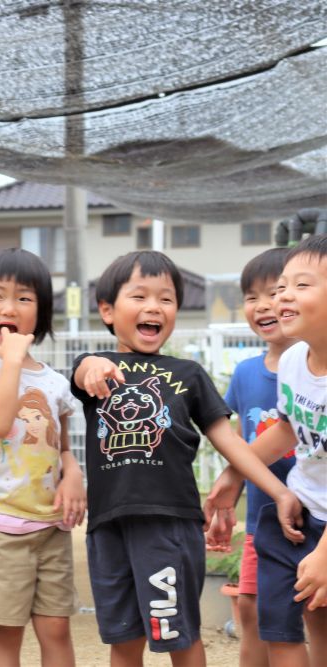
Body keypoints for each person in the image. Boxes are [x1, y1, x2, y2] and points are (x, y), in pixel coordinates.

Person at [70, 250, 303, 667]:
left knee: (179, 635)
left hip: (168, 524)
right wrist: (90, 362)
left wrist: (278, 491)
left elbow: (230, 442)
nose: (153, 307)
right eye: (139, 296)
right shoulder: (96, 371)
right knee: (122, 640)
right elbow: (81, 371)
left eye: (166, 298)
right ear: (106, 310)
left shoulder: (188, 373)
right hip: (106, 525)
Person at [0, 248, 84, 667]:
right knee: (6, 632)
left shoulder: (56, 382)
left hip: (50, 524)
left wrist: (73, 472)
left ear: (40, 313)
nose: (10, 307)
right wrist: (10, 361)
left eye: (25, 298)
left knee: (56, 628)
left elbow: (61, 445)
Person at [207, 234, 327, 667]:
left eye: (301, 285)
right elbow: (288, 429)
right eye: (283, 287)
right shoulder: (295, 361)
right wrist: (234, 473)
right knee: (285, 622)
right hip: (299, 512)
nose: (283, 297)